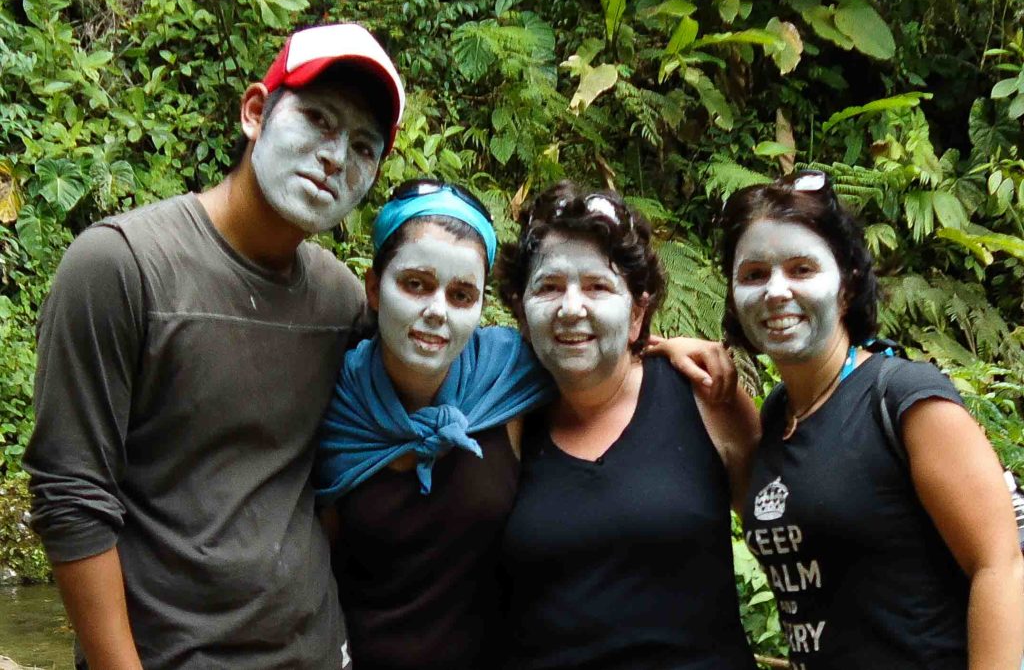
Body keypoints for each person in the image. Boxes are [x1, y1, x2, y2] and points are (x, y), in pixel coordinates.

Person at [23, 23, 405, 669]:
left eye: (363, 147)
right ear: (255, 112)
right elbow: (71, 495)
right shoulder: (123, 266)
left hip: (315, 650)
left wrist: (624, 370)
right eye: (317, 119)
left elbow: (415, 404)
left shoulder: (341, 301)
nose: (335, 156)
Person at [314, 179, 740, 670]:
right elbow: (315, 567)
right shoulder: (330, 402)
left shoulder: (503, 380)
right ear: (374, 286)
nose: (436, 311)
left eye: (460, 294)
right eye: (415, 284)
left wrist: (657, 345)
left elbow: (588, 344)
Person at [718, 170, 1024, 669]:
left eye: (801, 269)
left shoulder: (904, 399)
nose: (775, 291)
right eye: (754, 274)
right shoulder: (778, 414)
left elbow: (1002, 565)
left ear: (846, 285)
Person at [496, 180, 761, 670]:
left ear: (637, 311)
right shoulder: (503, 415)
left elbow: (791, 538)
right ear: (521, 309)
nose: (571, 307)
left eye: (599, 286)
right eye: (549, 287)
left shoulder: (705, 398)